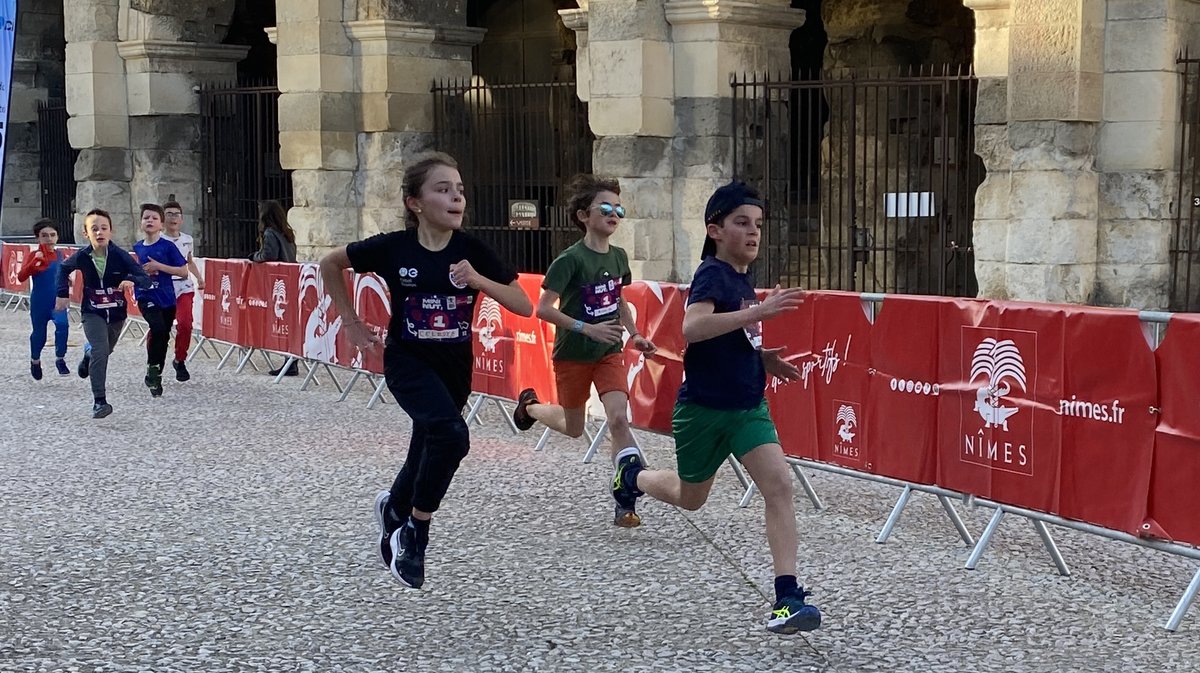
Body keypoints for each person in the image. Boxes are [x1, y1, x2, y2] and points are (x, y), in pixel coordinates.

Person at [609, 181, 822, 635]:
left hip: (747, 407)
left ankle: (787, 596)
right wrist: (757, 314)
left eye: (758, 225)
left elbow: (729, 338)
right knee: (692, 498)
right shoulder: (712, 272)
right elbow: (693, 326)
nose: (753, 233)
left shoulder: (741, 279)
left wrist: (763, 358)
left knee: (780, 486)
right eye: (741, 223)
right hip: (703, 411)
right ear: (715, 229)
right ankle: (633, 475)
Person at [319, 151, 532, 589]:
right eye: (442, 189)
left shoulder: (473, 251)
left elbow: (523, 305)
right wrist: (352, 322)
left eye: (459, 190)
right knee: (451, 436)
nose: (456, 197)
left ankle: (393, 509)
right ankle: (415, 532)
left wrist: (478, 281)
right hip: (407, 361)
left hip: (455, 366)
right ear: (414, 202)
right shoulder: (393, 247)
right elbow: (329, 264)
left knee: (428, 443)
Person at [510, 174, 656, 527]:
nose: (614, 214)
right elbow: (542, 309)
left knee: (619, 418)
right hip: (573, 354)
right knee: (575, 428)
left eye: (618, 208)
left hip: (608, 352)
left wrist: (635, 334)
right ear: (582, 215)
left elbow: (617, 299)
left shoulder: (620, 257)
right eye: (605, 208)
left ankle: (625, 498)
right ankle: (530, 407)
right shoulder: (569, 260)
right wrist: (586, 327)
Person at [56, 209, 151, 418]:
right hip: (92, 312)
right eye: (94, 229)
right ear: (85, 233)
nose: (99, 232)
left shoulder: (120, 256)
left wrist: (131, 280)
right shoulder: (82, 256)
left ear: (111, 231)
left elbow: (144, 278)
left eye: (104, 228)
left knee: (104, 351)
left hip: (116, 313)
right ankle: (100, 401)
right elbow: (63, 269)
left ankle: (88, 356)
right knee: (101, 349)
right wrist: (62, 293)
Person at [132, 203, 189, 397]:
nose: (150, 221)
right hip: (145, 295)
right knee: (156, 328)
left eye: (154, 218)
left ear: (161, 225)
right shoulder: (137, 247)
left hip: (167, 297)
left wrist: (159, 266)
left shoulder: (168, 247)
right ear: (141, 223)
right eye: (146, 217)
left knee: (163, 336)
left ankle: (155, 371)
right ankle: (154, 371)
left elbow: (183, 272)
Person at [18, 219, 71, 380]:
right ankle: (35, 360)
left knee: (63, 326)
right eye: (44, 235)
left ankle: (60, 358)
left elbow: (61, 274)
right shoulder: (34, 255)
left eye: (52, 235)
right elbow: (21, 276)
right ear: (38, 238)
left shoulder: (61, 254)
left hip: (56, 301)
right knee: (39, 333)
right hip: (40, 301)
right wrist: (34, 263)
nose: (49, 239)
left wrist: (67, 281)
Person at [254, 200, 300, 377]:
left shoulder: (270, 233)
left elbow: (268, 255)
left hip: (279, 282)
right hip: (290, 280)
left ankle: (290, 360)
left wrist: (254, 257)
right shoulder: (287, 233)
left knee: (283, 323)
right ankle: (292, 361)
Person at [162, 201, 204, 381]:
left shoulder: (187, 239)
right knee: (160, 327)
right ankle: (154, 362)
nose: (173, 217)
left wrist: (199, 278)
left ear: (181, 218)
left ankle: (180, 359)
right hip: (164, 288)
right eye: (169, 214)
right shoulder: (158, 240)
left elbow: (189, 260)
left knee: (186, 323)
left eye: (176, 214)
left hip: (184, 286)